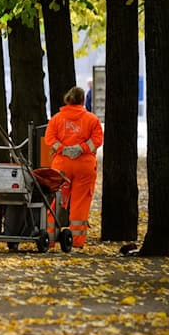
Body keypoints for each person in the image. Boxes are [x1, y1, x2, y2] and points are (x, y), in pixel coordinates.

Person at [45, 86, 104, 249]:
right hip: (84, 165)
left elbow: (49, 139)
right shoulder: (92, 119)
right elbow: (97, 139)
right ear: (83, 100)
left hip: (61, 166)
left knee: (56, 201)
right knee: (80, 203)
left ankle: (49, 238)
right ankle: (76, 241)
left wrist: (63, 149)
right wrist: (81, 148)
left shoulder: (56, 119)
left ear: (67, 99)